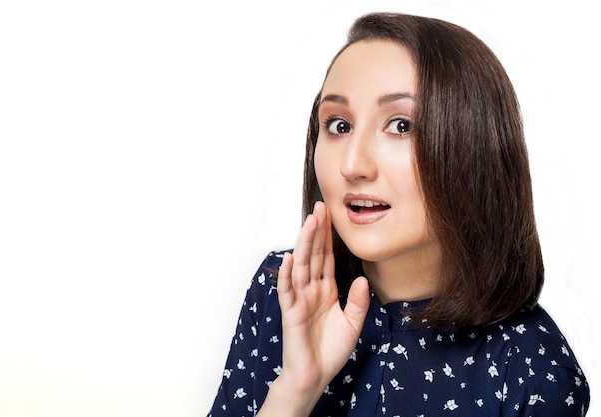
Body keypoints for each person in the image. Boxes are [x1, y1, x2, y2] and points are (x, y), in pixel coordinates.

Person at [207, 12, 590, 417]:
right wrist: (295, 390)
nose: (353, 165)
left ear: (472, 148)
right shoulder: (282, 292)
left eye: (401, 125)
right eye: (338, 125)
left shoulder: (532, 367)